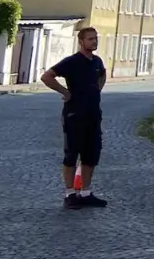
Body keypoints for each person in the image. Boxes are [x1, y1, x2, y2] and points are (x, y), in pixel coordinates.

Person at [41, 27, 109, 208]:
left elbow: (102, 75)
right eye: (90, 39)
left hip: (93, 114)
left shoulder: (96, 61)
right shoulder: (72, 62)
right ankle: (70, 194)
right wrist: (64, 91)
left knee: (91, 154)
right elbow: (47, 76)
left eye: (96, 39)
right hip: (74, 114)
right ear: (81, 42)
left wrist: (96, 90)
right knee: (72, 153)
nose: (94, 42)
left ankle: (86, 193)